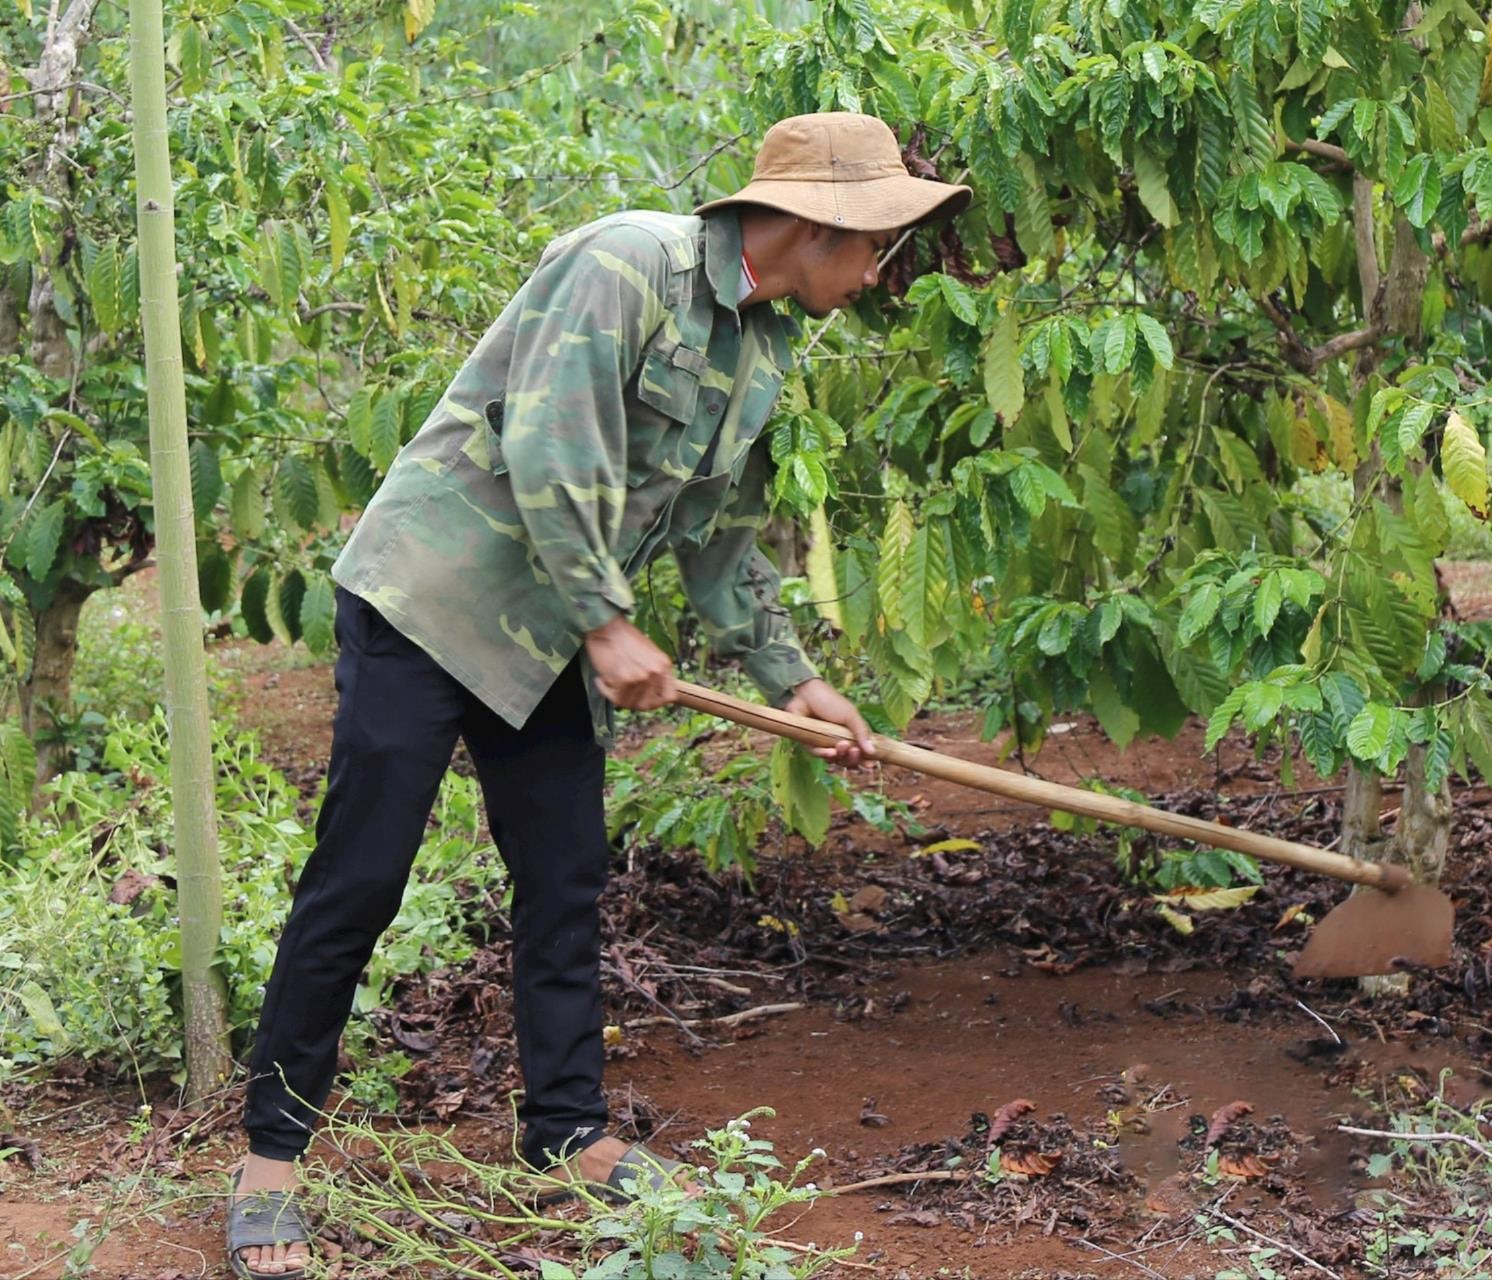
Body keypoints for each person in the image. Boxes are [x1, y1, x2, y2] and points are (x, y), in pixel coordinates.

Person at [224, 112, 970, 1279]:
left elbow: (720, 540)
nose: (878, 271)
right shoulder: (626, 262)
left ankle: (565, 1133)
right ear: (816, 225)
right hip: (430, 601)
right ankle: (271, 1159)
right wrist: (611, 625)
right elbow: (549, 443)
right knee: (359, 876)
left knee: (564, 883)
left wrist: (802, 680)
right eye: (873, 244)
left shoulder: (763, 352)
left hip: (545, 640)